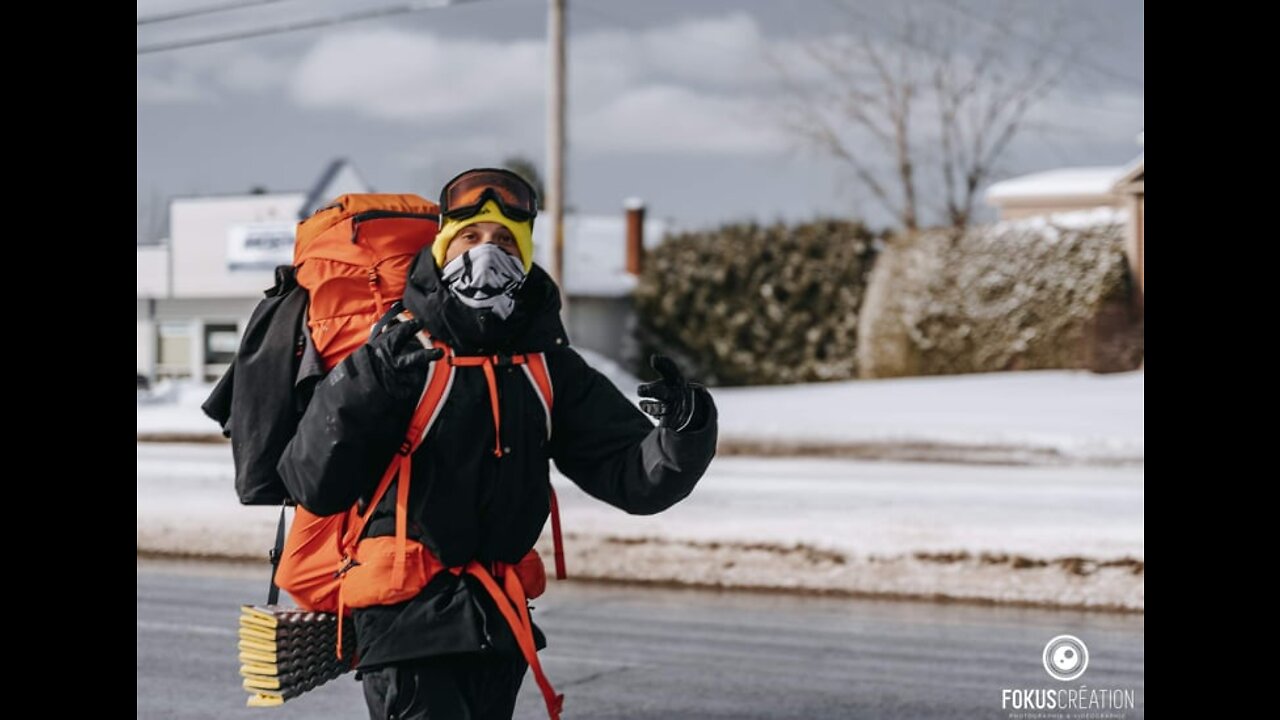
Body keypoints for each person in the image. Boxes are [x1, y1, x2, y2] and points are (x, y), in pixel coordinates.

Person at [277, 167, 718, 720]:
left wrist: (686, 427)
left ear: (527, 254)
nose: (487, 253)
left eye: (506, 241)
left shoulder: (543, 363)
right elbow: (313, 480)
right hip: (406, 622)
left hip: (498, 618)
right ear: (442, 248)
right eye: (470, 237)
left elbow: (632, 474)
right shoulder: (400, 350)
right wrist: (373, 375)